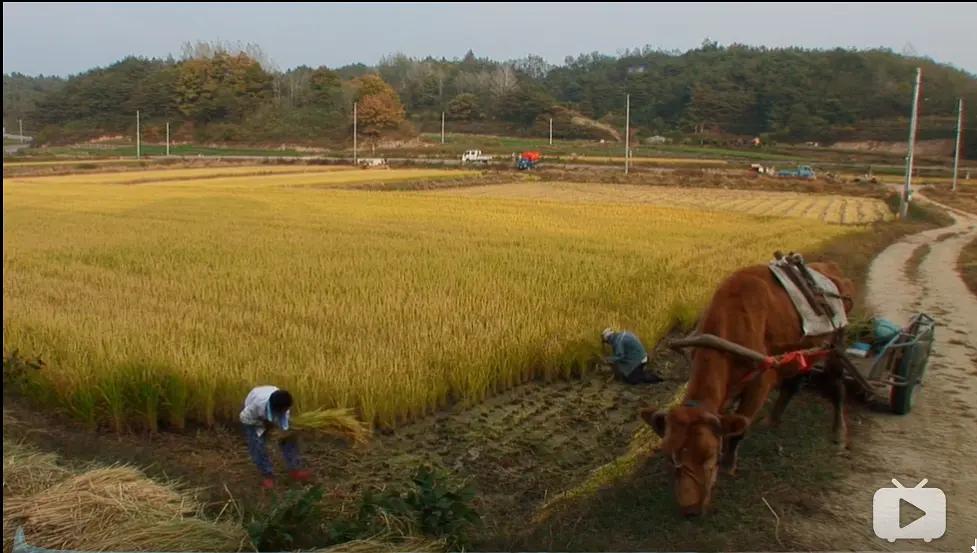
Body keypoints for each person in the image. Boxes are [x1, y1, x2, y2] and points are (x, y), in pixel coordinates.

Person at [240, 385, 310, 489]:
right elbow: (243, 418)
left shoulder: (284, 404)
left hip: (271, 402)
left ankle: (295, 470)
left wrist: (284, 431)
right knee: (257, 445)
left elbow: (284, 425)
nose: (286, 411)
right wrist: (263, 424)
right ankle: (267, 475)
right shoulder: (256, 406)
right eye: (283, 410)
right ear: (276, 409)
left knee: (289, 439)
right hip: (253, 420)